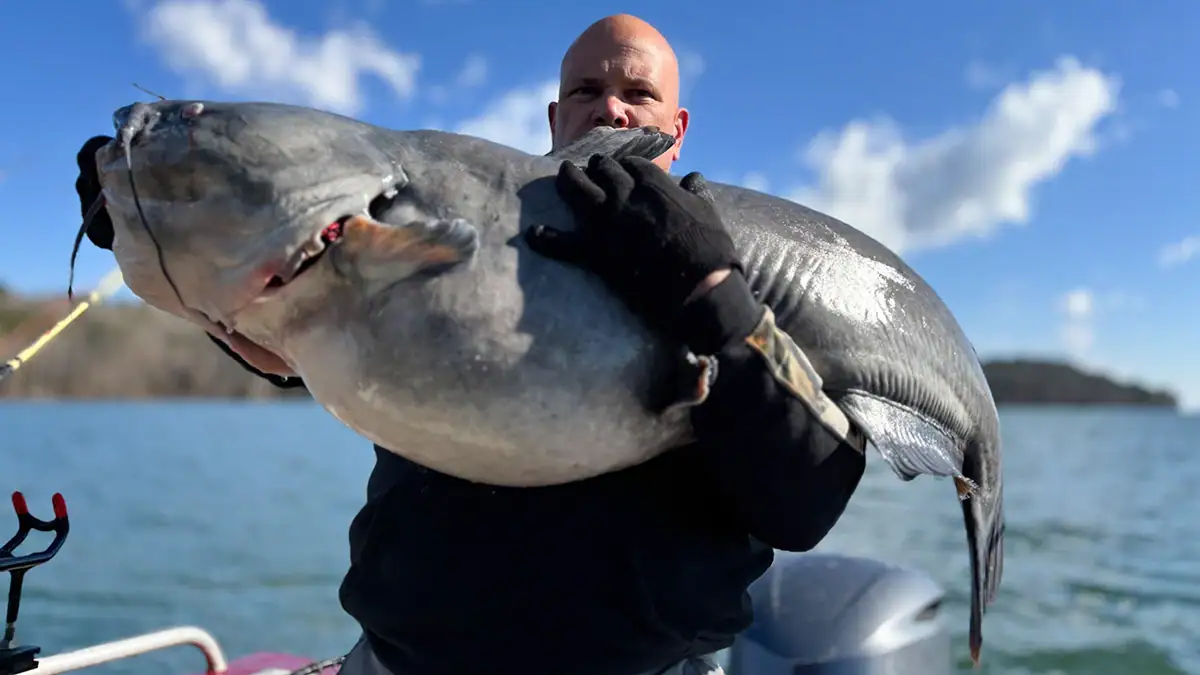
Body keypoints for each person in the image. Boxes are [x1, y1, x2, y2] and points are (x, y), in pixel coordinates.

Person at [73, 14, 867, 675]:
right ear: (555, 118)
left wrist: (713, 295)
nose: (612, 111)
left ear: (677, 126)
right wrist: (170, 219)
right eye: (586, 91)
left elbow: (809, 497)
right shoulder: (477, 214)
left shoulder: (754, 267)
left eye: (638, 93)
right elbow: (297, 339)